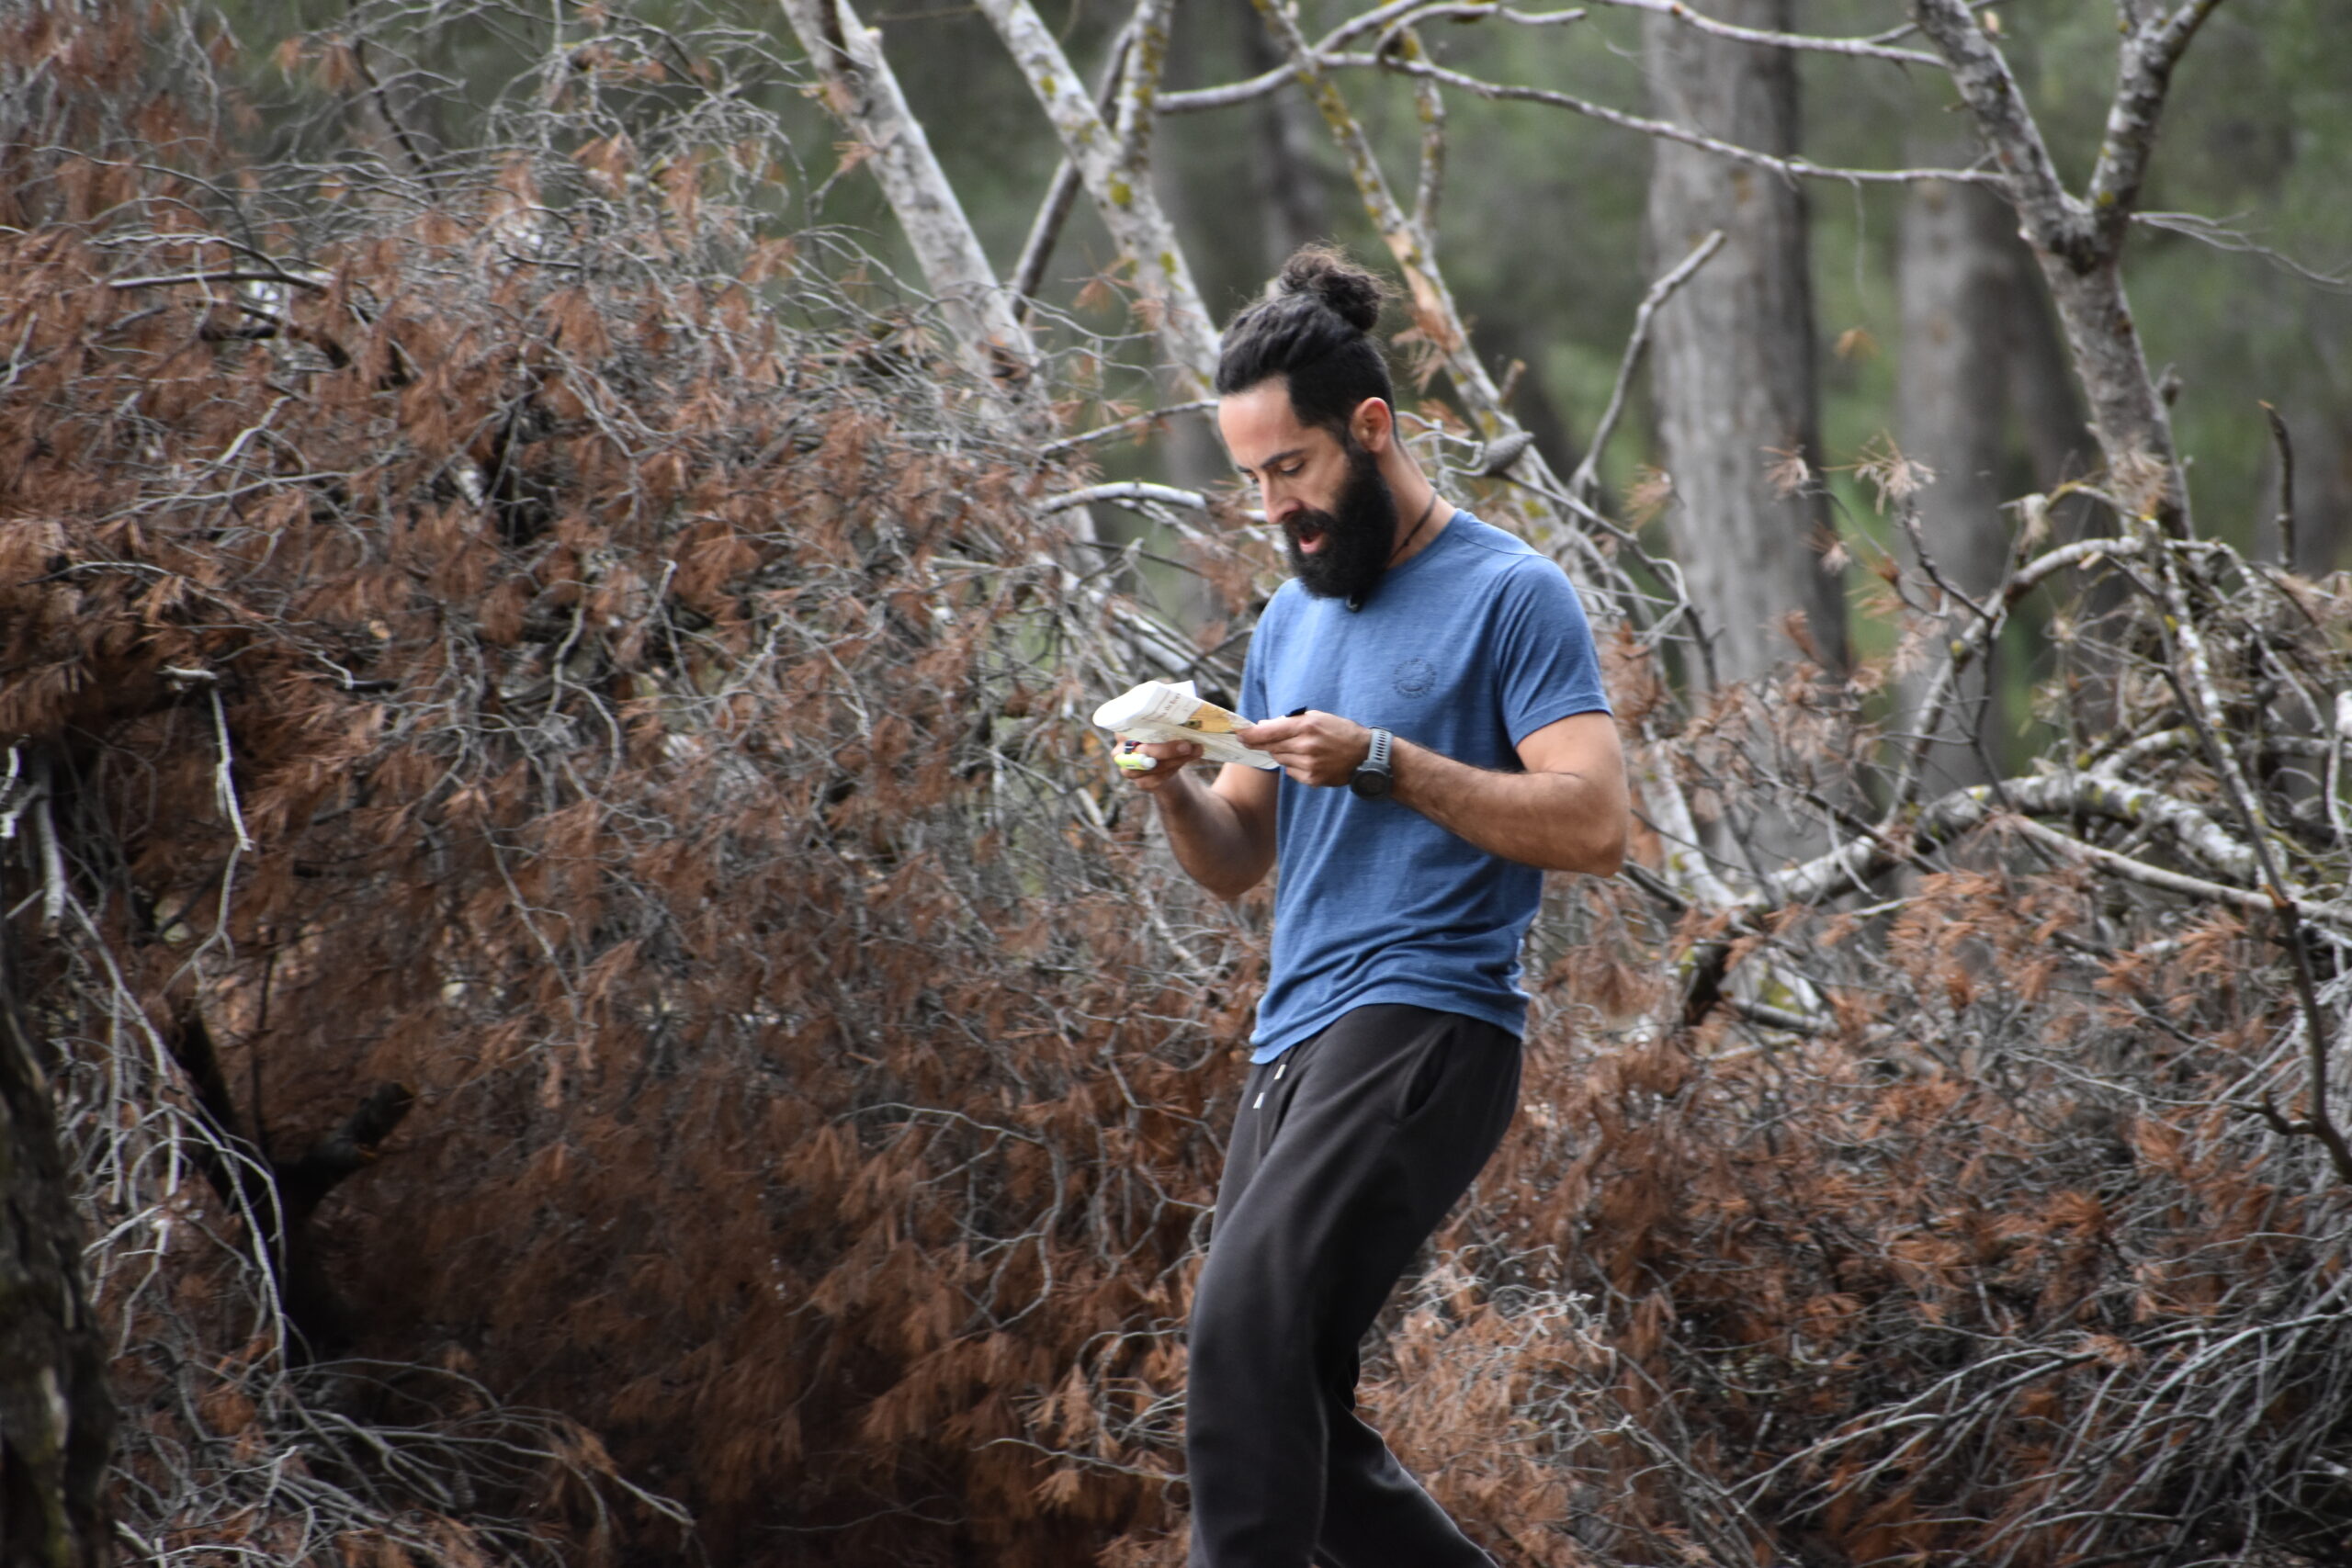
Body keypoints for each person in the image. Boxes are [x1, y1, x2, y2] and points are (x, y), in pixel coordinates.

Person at [1117, 245, 1629, 1568]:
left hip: (1427, 1017)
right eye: (1252, 482)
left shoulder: (1511, 594)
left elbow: (1594, 822)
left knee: (1242, 1331)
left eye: (1290, 469)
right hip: (1295, 1039)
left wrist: (1386, 763)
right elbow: (1238, 855)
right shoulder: (1290, 622)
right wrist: (1173, 786)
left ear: (1371, 427)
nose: (1274, 508)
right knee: (1288, 1402)